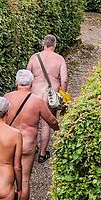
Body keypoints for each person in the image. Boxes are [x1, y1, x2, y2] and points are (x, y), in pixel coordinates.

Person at [3, 70, 59, 200]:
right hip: (27, 145)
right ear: (32, 84)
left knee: (8, 176)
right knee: (25, 179)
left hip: (9, 142)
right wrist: (60, 129)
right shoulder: (37, 102)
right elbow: (52, 121)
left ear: (16, 83)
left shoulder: (7, 97)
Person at [26, 34, 67, 163]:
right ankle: (43, 154)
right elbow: (64, 80)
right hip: (50, 95)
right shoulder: (59, 59)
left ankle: (31, 149)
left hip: (35, 93)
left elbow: (27, 76)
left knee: (32, 123)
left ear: (43, 44)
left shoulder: (34, 57)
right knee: (45, 125)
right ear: (54, 45)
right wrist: (62, 94)